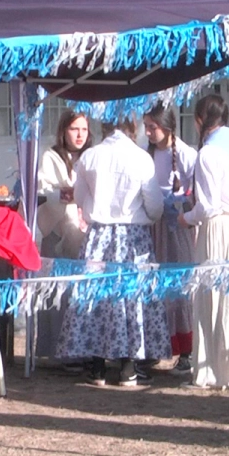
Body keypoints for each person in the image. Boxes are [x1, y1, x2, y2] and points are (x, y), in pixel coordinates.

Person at [57, 118, 170, 386]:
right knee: (132, 297)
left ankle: (97, 366)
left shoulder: (91, 157)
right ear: (132, 128)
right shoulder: (141, 158)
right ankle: (128, 367)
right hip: (133, 237)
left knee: (96, 296)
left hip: (99, 234)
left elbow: (81, 198)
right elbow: (154, 205)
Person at [178, 95, 229, 389]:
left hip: (218, 228)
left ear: (200, 119)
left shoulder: (209, 153)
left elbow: (208, 206)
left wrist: (185, 218)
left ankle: (211, 369)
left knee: (213, 297)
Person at [144, 103, 198, 375]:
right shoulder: (147, 155)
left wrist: (181, 202)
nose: (149, 133)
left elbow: (198, 193)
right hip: (153, 229)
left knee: (179, 285)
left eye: (152, 127)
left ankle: (186, 351)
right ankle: (155, 347)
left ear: (166, 127)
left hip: (177, 228)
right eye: (146, 128)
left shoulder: (187, 155)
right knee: (155, 288)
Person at [34, 110, 92, 367]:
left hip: (84, 233)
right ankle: (56, 350)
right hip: (58, 231)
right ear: (63, 131)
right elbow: (43, 190)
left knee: (81, 293)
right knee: (57, 293)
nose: (79, 135)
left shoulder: (92, 156)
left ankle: (82, 349)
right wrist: (64, 194)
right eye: (74, 129)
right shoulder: (51, 156)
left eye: (84, 129)